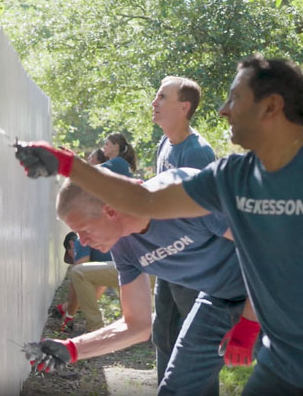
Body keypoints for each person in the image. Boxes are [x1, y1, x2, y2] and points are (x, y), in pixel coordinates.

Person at [15, 54, 303, 396]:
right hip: (273, 345)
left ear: (271, 107)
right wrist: (66, 164)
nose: (222, 109)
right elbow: (141, 199)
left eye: (235, 98)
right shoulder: (229, 176)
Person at [25, 168, 259, 395]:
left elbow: (269, 249)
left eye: (84, 230)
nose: (83, 243)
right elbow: (136, 325)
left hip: (278, 291)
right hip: (218, 299)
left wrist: (250, 318)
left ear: (110, 211)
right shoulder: (123, 247)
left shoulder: (182, 194)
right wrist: (72, 349)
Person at [149, 75, 222, 391]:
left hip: (195, 268)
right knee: (164, 335)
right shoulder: (165, 143)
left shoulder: (197, 153)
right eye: (156, 96)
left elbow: (207, 216)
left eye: (162, 97)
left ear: (184, 107)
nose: (154, 103)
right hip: (167, 260)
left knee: (196, 348)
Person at [51, 142, 134, 332]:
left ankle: (95, 326)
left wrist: (69, 316)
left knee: (79, 273)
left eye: (84, 229)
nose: (85, 239)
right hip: (130, 270)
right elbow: (98, 282)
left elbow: (81, 274)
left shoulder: (81, 241)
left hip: (135, 270)